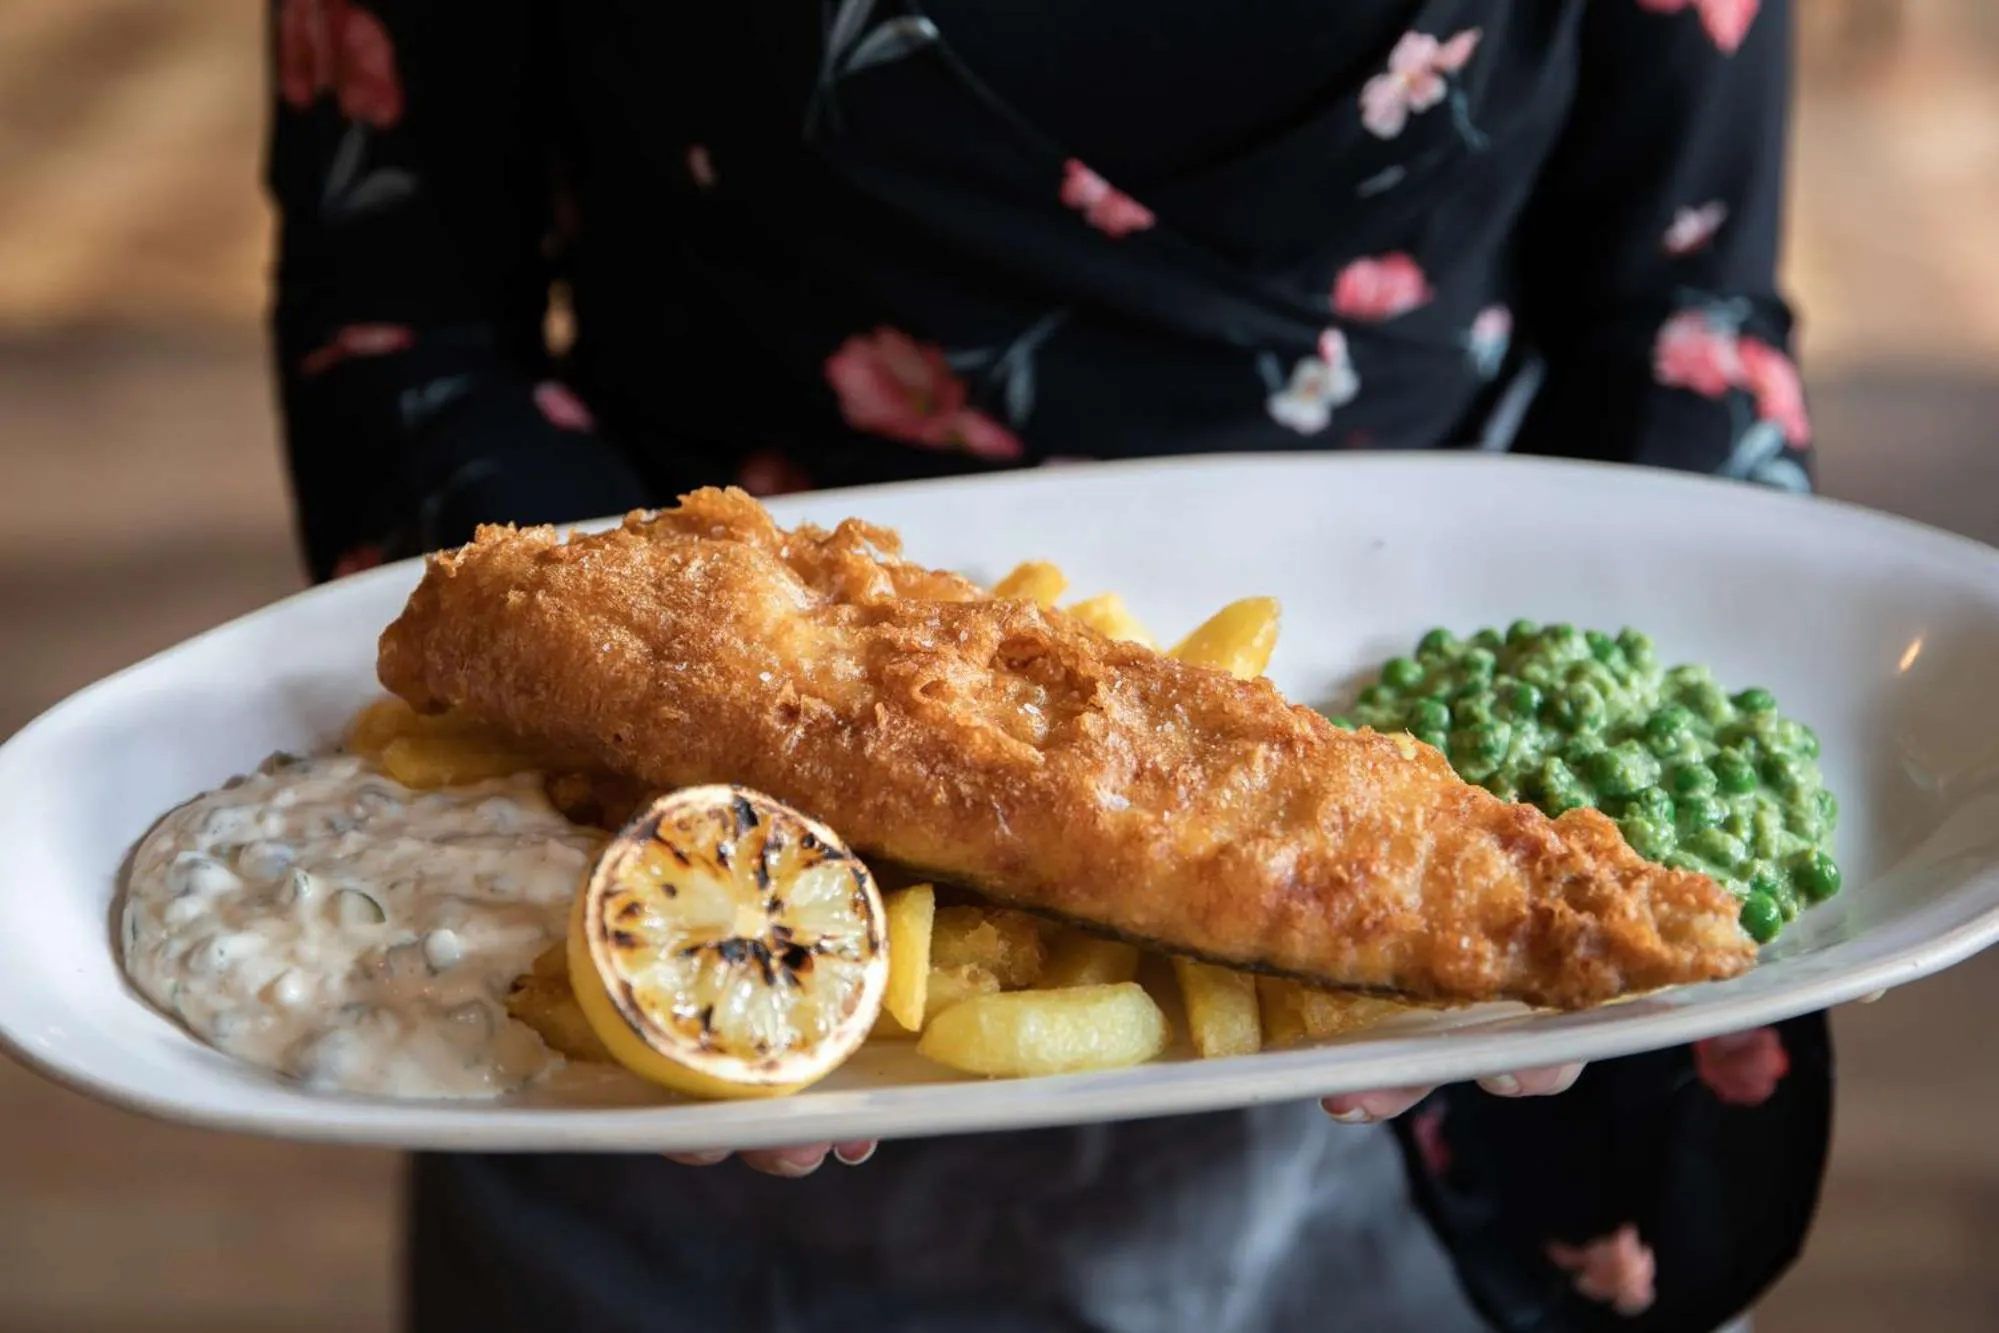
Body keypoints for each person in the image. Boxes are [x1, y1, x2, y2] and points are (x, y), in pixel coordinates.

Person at [264, 1, 1829, 1329]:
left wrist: (1644, 670)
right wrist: (586, 758)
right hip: (656, 983)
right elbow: (394, 306)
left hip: (1436, 1147)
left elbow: (1684, 302)